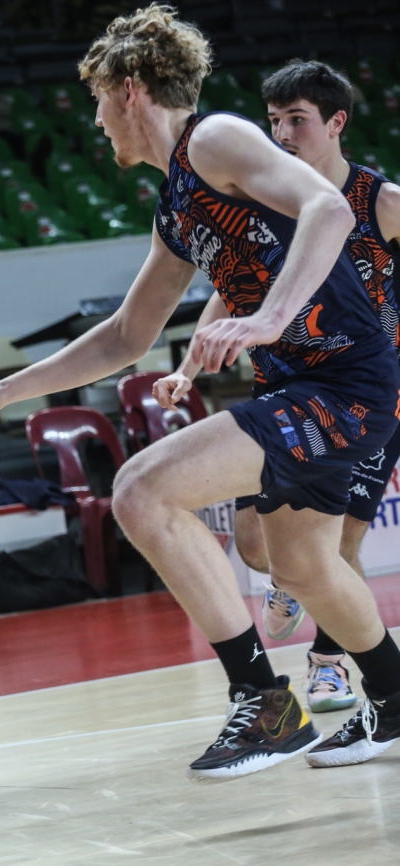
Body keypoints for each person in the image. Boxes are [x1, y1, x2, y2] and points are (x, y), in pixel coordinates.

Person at [0, 5, 400, 779]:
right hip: (316, 384)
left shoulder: (213, 139)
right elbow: (124, 338)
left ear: (130, 89)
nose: (97, 121)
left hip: (340, 383)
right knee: (304, 566)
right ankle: (395, 698)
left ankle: (264, 703)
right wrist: (4, 390)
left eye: (98, 101)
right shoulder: (177, 203)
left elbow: (330, 206)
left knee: (140, 490)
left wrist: (268, 318)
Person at [154, 59, 400, 716]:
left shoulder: (378, 201)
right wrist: (185, 369)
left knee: (341, 544)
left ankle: (328, 667)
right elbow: (232, 284)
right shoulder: (258, 192)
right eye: (275, 121)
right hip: (290, 380)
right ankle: (296, 585)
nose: (284, 134)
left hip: (365, 387)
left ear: (335, 123)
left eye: (297, 120)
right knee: (264, 546)